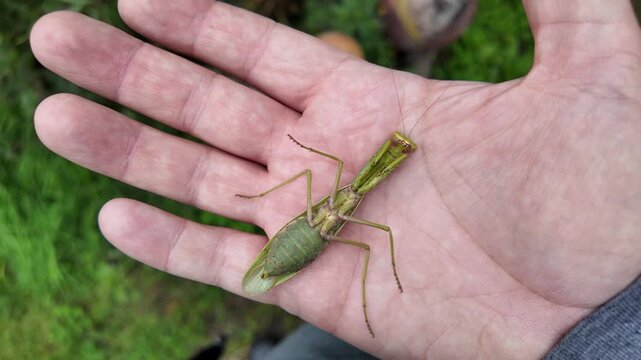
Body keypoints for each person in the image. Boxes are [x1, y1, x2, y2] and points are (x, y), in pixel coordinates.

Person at [30, 0, 641, 358]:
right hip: (309, 231)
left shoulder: (357, 202)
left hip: (313, 237)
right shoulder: (345, 197)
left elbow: (373, 228)